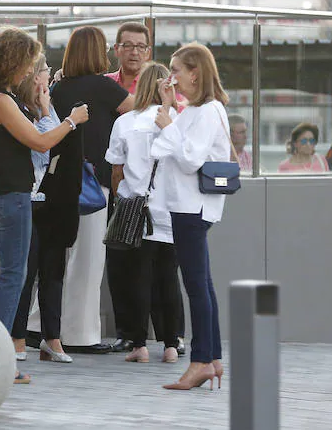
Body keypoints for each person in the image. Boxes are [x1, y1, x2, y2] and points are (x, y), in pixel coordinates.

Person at [0, 27, 88, 383]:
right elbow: (40, 143)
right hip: (11, 197)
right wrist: (71, 121)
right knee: (13, 277)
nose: (28, 71)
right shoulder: (0, 100)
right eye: (25, 63)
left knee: (12, 275)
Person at [30, 26, 132, 354]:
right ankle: (79, 333)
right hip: (92, 184)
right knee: (88, 260)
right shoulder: (104, 87)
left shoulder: (58, 87)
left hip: (58, 181)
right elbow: (139, 111)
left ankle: (37, 325)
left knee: (57, 260)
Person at [151, 42, 232, 390]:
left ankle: (200, 360)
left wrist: (169, 122)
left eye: (177, 70)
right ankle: (211, 359)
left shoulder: (208, 111)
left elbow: (189, 160)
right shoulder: (194, 111)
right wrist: (169, 110)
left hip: (193, 206)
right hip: (185, 204)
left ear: (195, 72)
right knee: (203, 284)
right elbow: (160, 148)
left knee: (196, 285)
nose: (172, 77)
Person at [105, 22, 186, 355]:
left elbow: (116, 170)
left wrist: (121, 198)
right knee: (168, 278)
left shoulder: (125, 122)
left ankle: (137, 343)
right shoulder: (177, 120)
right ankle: (171, 342)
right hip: (170, 210)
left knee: (135, 277)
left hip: (134, 208)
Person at [10, 54, 75, 364]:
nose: (49, 78)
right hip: (27, 199)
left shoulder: (44, 108)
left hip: (51, 201)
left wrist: (50, 111)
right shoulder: (19, 109)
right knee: (26, 272)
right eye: (45, 72)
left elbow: (54, 144)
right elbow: (44, 145)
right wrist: (61, 118)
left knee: (53, 272)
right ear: (34, 76)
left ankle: (53, 338)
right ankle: (17, 338)